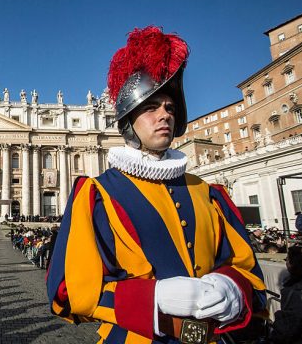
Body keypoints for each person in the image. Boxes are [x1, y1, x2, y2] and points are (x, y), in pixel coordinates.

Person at [47, 26, 266, 344]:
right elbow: (67, 290)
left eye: (170, 108)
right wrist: (154, 297)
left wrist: (234, 287)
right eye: (150, 107)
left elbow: (252, 277)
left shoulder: (209, 194)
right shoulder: (97, 195)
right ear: (128, 121)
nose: (164, 114)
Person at [269, 245, 302, 343]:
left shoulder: (292, 292)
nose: (286, 262)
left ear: (292, 264)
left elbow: (291, 326)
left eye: (287, 260)